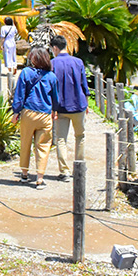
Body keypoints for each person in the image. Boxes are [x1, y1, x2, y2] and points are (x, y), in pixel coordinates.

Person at [11, 46, 59, 190]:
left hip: (29, 113)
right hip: (45, 114)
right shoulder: (52, 76)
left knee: (25, 143)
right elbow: (55, 97)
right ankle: (39, 178)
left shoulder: (26, 72)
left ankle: (25, 174)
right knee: (43, 146)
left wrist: (16, 112)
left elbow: (19, 94)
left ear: (33, 58)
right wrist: (55, 110)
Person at [50, 35, 88, 182]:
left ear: (55, 48)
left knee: (61, 139)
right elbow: (84, 84)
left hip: (60, 107)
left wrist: (52, 107)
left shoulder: (52, 63)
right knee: (80, 136)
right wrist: (87, 104)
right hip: (78, 104)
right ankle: (79, 166)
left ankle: (64, 171)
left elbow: (51, 87)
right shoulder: (78, 62)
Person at [0, 17, 18, 84]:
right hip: (13, 42)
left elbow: (2, 37)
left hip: (7, 43)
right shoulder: (13, 27)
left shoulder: (3, 28)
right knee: (13, 55)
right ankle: (15, 66)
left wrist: (1, 45)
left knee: (7, 56)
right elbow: (16, 33)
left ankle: (10, 70)